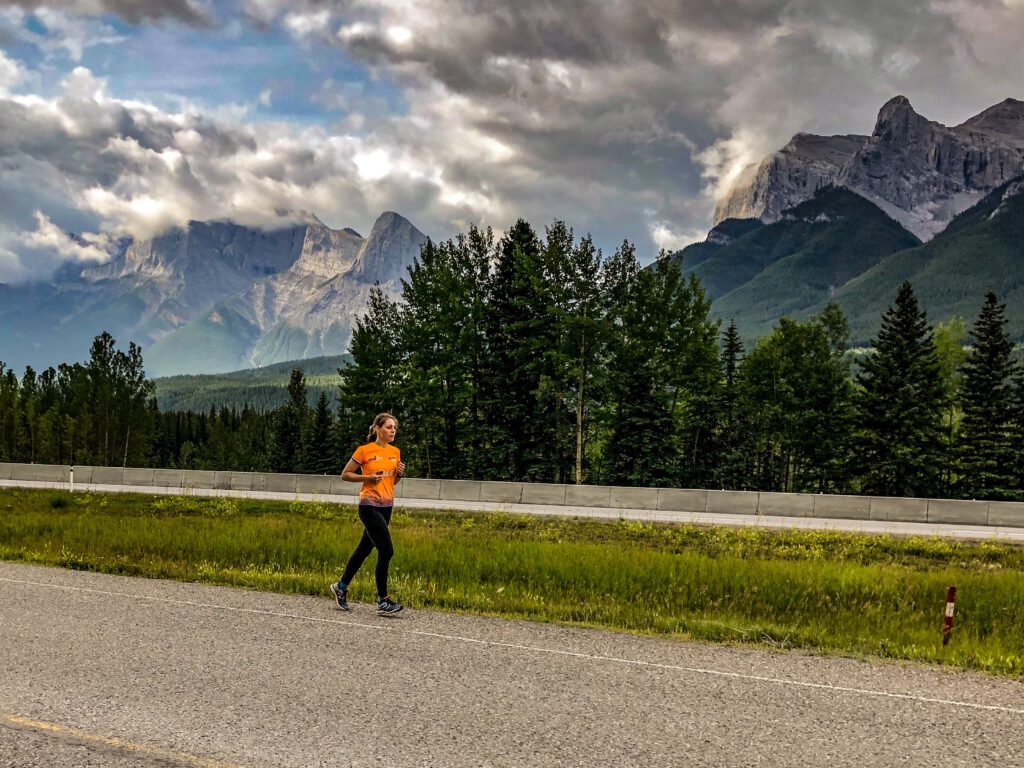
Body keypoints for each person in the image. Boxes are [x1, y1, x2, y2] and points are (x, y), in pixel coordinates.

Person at [331, 413, 406, 616]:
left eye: (394, 428)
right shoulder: (364, 451)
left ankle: (341, 585)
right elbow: (345, 474)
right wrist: (367, 478)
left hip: (387, 506)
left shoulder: (395, 452)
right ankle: (383, 600)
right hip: (369, 506)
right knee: (387, 550)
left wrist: (399, 473)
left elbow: (393, 482)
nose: (393, 431)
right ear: (377, 429)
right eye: (389, 427)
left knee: (364, 549)